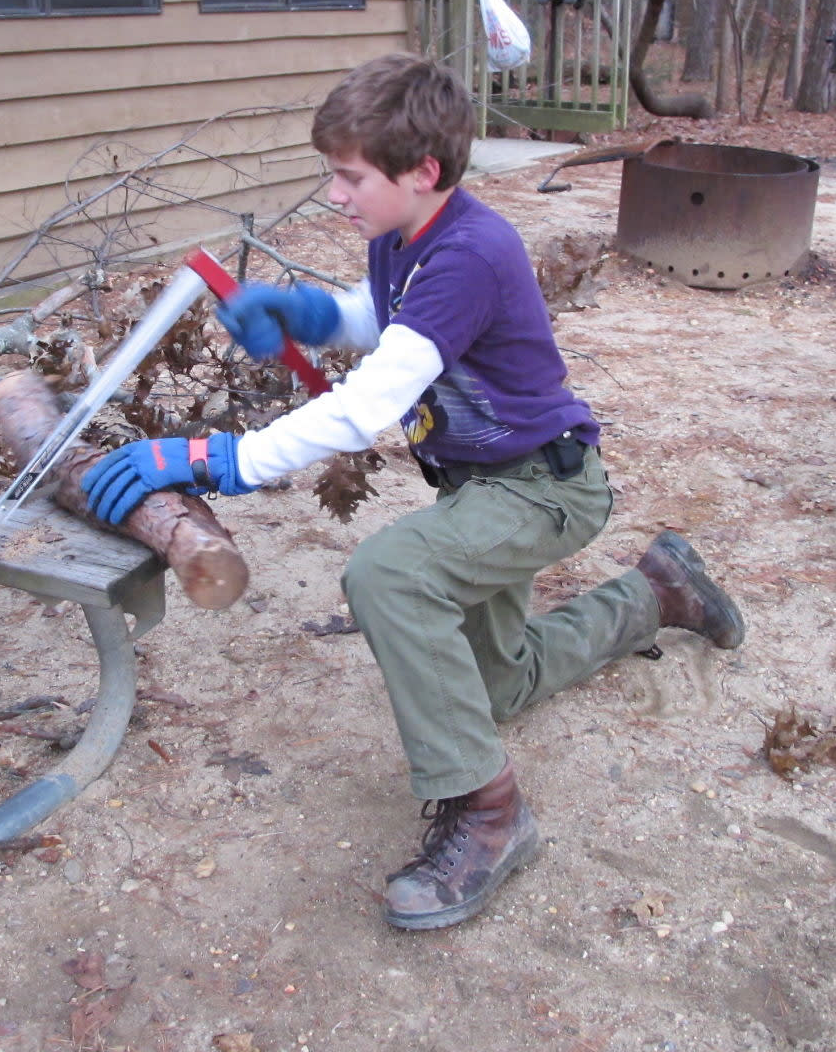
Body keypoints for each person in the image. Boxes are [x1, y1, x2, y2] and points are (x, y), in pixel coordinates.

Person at [81, 53, 745, 931]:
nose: (334, 194)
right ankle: (659, 591)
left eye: (349, 176)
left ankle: (491, 816)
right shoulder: (406, 239)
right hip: (482, 489)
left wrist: (215, 456)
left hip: (542, 490)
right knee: (492, 690)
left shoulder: (473, 251)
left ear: (423, 171)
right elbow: (379, 313)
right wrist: (307, 314)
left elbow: (369, 406)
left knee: (389, 574)